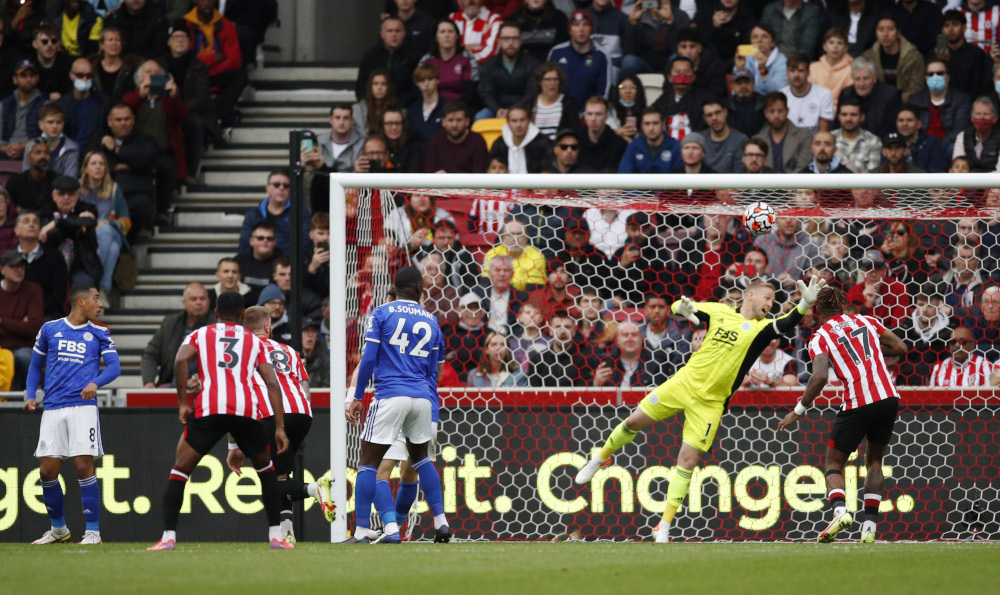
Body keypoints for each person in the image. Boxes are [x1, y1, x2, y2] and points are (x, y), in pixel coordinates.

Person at [577, 275, 827, 542]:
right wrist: (681, 309)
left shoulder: (762, 328)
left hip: (711, 402)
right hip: (683, 383)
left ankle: (663, 525)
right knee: (632, 422)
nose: (770, 304)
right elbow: (682, 306)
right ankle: (599, 458)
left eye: (774, 300)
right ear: (750, 295)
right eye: (767, 298)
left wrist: (803, 305)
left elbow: (786, 324)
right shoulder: (718, 310)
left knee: (687, 460)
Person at [147, 291, 292, 551]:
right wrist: (279, 427)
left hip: (210, 408)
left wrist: (182, 402)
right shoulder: (254, 341)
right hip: (246, 411)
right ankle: (275, 536)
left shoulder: (201, 334)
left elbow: (180, 359)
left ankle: (168, 537)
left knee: (180, 470)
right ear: (241, 315)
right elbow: (271, 382)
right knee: (265, 470)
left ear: (215, 313)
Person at [777, 286, 908, 544]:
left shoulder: (820, 337)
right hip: (889, 397)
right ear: (842, 304)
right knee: (874, 462)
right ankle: (869, 526)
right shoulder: (867, 321)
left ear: (817, 310)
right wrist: (869, 357)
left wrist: (798, 410)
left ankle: (840, 513)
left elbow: (820, 376)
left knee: (834, 464)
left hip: (858, 401)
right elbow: (901, 348)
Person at [346, 266, 451, 544]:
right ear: (419, 288)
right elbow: (435, 372)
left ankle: (361, 532)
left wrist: (357, 396)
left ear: (395, 286)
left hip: (392, 394)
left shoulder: (382, 313)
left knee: (368, 464)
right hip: (423, 398)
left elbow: (368, 359)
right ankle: (441, 523)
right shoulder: (431, 320)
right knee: (421, 459)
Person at [226, 306, 331, 543]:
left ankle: (314, 489)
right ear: (267, 327)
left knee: (269, 481)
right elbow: (305, 389)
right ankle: (286, 531)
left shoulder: (243, 351)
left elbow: (235, 399)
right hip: (302, 414)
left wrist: (233, 447)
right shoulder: (290, 351)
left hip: (270, 415)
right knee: (282, 475)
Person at [25, 284, 120, 546]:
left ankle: (93, 532)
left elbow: (114, 367)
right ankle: (58, 530)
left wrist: (95, 383)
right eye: (96, 299)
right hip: (53, 406)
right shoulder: (50, 329)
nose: (100, 305)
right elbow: (35, 365)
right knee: (47, 471)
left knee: (82, 465)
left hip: (82, 407)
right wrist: (30, 394)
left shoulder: (100, 332)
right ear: (80, 302)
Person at [182, 0, 248, 128]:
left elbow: (234, 61)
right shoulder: (185, 24)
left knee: (240, 76)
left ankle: (219, 116)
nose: (207, 3)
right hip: (192, 75)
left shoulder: (225, 25)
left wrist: (207, 70)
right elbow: (185, 58)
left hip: (213, 74)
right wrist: (213, 60)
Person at [164, 18, 216, 173]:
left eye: (183, 37)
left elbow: (201, 98)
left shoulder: (199, 67)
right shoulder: (160, 64)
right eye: (176, 37)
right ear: (169, 42)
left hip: (188, 112)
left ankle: (191, 171)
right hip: (164, 110)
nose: (179, 40)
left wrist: (181, 109)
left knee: (196, 124)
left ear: (189, 42)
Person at [77, 150, 130, 304]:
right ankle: (102, 290)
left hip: (111, 232)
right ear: (85, 168)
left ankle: (93, 282)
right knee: (113, 248)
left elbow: (126, 221)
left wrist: (108, 222)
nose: (98, 167)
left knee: (106, 232)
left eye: (101, 164)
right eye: (93, 163)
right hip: (86, 236)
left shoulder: (114, 189)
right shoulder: (78, 190)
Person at [141, 282, 215, 387]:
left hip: (204, 385)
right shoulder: (170, 323)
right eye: (193, 299)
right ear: (184, 303)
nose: (198, 302)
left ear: (208, 302)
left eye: (202, 299)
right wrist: (149, 382)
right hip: (169, 383)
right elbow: (150, 355)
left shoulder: (216, 326)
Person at [101, 103, 157, 233]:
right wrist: (115, 167)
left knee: (140, 206)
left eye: (127, 119)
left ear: (133, 120)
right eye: (118, 120)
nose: (123, 123)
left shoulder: (145, 139)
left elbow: (144, 158)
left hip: (135, 193)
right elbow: (91, 162)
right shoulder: (101, 139)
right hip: (104, 193)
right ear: (109, 122)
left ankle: (127, 248)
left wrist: (115, 149)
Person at [40, 175, 102, 287]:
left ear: (78, 195)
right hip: (51, 265)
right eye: (61, 194)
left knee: (83, 290)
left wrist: (57, 222)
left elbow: (89, 222)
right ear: (54, 196)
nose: (66, 197)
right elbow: (46, 233)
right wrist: (74, 222)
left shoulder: (88, 208)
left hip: (82, 266)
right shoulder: (45, 211)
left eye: (71, 194)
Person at [546, 10, 610, 110]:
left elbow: (603, 92)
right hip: (560, 112)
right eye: (576, 25)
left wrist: (588, 114)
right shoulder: (556, 52)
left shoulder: (601, 56)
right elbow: (547, 86)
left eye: (585, 25)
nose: (581, 29)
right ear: (569, 30)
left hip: (591, 116)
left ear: (591, 29)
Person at [238, 170, 309, 258]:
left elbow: (305, 244)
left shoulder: (300, 212)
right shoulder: (253, 215)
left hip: (288, 266)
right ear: (267, 189)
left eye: (286, 186)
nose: (281, 188)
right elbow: (244, 246)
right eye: (276, 185)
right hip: (259, 265)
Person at [476, 21, 538, 120]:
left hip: (524, 109)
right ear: (499, 42)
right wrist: (497, 110)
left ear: (521, 41)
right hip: (496, 110)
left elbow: (531, 94)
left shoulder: (532, 64)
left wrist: (511, 111)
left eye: (514, 38)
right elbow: (487, 93)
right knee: (481, 117)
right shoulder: (489, 65)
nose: (510, 43)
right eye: (506, 39)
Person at [0, 250, 43, 389]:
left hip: (23, 348)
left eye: (22, 267)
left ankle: (33, 399)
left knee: (27, 357)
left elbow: (34, 328)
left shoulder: (33, 290)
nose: (18, 270)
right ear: (2, 269)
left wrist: (3, 322)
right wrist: (20, 324)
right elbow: (27, 328)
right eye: (13, 266)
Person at [908, 60, 970, 156]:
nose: (935, 77)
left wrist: (937, 145)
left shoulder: (960, 100)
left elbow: (959, 129)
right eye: (931, 74)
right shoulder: (915, 99)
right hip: (922, 145)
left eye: (940, 73)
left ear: (948, 77)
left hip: (947, 146)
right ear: (926, 78)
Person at [14, 210, 68, 320]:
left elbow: (59, 294)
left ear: (39, 229)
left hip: (47, 313)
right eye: (26, 221)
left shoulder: (55, 256)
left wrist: (34, 313)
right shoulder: (8, 259)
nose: (31, 224)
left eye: (35, 222)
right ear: (16, 230)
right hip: (14, 313)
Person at [356, 17, 420, 107]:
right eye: (390, 31)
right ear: (382, 34)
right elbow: (361, 86)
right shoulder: (370, 56)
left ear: (404, 33)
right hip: (374, 108)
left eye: (397, 31)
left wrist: (398, 104)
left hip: (404, 108)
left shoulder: (413, 57)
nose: (394, 35)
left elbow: (417, 88)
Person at [56, 57, 113, 154]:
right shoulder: (61, 104)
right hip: (69, 156)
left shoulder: (104, 103)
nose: (85, 79)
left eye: (89, 75)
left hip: (95, 157)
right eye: (80, 75)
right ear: (71, 75)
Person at [862, 14, 924, 102]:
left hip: (905, 105)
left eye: (890, 29)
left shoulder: (914, 57)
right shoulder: (868, 57)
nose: (885, 34)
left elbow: (916, 89)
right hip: (877, 104)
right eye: (881, 30)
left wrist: (895, 101)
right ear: (876, 33)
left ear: (898, 33)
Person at [838, 56, 902, 138]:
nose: (861, 83)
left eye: (866, 78)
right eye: (857, 79)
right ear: (852, 79)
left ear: (874, 78)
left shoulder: (891, 95)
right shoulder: (846, 94)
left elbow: (890, 130)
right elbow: (838, 126)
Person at [419, 20, 479, 107]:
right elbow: (419, 87)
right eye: (442, 32)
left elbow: (470, 91)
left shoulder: (468, 59)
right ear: (436, 37)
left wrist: (452, 107)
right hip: (433, 106)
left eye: (450, 32)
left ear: (456, 36)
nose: (447, 35)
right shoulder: (427, 60)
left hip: (462, 106)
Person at [621, 0, 690, 77]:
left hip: (669, 63)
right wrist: (632, 23)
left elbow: (681, 49)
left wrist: (670, 22)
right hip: (643, 64)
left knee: (677, 58)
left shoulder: (680, 16)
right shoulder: (639, 14)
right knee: (628, 61)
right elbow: (628, 50)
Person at [934, 11, 990, 101]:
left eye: (955, 24)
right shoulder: (936, 54)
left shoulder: (976, 53)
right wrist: (943, 62)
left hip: (969, 103)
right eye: (946, 25)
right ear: (942, 30)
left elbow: (979, 87)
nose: (950, 29)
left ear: (964, 28)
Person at [528, 312, 596, 386]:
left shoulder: (585, 358)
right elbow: (533, 392)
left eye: (567, 327)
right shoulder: (538, 359)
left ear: (574, 331)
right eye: (558, 327)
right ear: (550, 331)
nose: (563, 331)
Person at [751, 92, 811, 173]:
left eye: (780, 111)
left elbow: (802, 168)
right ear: (766, 113)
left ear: (787, 111)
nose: (776, 115)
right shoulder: (757, 140)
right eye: (772, 111)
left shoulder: (804, 135)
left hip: (795, 184)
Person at [652, 56, 710, 138]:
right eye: (677, 72)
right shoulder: (661, 102)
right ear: (670, 77)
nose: (682, 76)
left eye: (686, 72)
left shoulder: (705, 100)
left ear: (693, 77)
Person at [424, 101, 488, 172]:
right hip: (443, 182)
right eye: (450, 120)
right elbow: (430, 172)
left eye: (459, 120)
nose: (454, 124)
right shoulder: (435, 140)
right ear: (443, 122)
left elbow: (479, 175)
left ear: (467, 121)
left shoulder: (478, 141)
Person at [1, 60, 45, 160]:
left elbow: (48, 138)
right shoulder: (4, 105)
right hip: (5, 153)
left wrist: (25, 147)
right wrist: (6, 148)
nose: (28, 79)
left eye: (32, 75)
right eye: (23, 75)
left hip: (33, 154)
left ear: (37, 78)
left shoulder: (45, 105)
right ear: (15, 79)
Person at [303, 103, 364, 174]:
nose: (341, 122)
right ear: (330, 119)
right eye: (337, 118)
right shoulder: (319, 141)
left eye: (346, 118)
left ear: (352, 120)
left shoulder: (362, 143)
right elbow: (311, 173)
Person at [489, 103, 552, 173]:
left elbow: (549, 170)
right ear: (508, 122)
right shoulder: (499, 143)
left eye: (522, 120)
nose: (519, 125)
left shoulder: (543, 142)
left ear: (529, 121)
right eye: (514, 121)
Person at [618, 107, 681, 174]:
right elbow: (624, 175)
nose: (651, 128)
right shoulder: (634, 146)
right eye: (647, 124)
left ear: (663, 125)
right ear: (642, 126)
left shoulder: (676, 147)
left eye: (655, 123)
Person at [782, 52, 833, 133]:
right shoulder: (782, 95)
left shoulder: (824, 95)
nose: (796, 75)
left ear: (808, 72)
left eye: (800, 71)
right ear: (787, 73)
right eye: (792, 71)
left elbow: (823, 134)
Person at [89, 27, 141, 102]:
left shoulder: (131, 68)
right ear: (101, 45)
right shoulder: (92, 68)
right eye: (110, 40)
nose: (114, 43)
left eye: (118, 40)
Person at [530, 61, 579, 140]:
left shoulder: (569, 104)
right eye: (548, 79)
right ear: (540, 82)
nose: (552, 83)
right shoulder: (530, 103)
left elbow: (573, 132)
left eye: (555, 79)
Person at [577, 96, 626, 173]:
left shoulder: (619, 145)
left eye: (598, 114)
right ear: (585, 116)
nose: (593, 119)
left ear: (606, 117)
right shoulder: (575, 142)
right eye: (590, 114)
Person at [236, 220, 280, 307]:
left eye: (269, 238)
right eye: (260, 238)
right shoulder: (238, 261)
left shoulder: (282, 263)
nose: (265, 241)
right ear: (251, 241)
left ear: (274, 242)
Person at [951, 96, 1000, 172]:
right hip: (967, 182)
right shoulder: (962, 136)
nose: (981, 118)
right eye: (978, 114)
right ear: (971, 117)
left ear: (995, 118)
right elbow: (957, 167)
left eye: (986, 114)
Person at [832, 98, 881, 173]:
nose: (848, 119)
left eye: (853, 115)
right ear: (839, 117)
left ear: (862, 117)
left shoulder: (873, 141)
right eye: (844, 114)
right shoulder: (830, 138)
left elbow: (872, 174)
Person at [895, 103, 947, 173]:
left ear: (919, 124)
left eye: (909, 120)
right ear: (896, 124)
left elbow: (937, 174)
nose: (904, 124)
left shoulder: (932, 144)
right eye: (901, 120)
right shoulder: (889, 145)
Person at [700, 98, 748, 173]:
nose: (714, 118)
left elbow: (739, 174)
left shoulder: (740, 140)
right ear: (704, 118)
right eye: (709, 115)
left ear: (725, 112)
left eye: (718, 112)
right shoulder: (699, 139)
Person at [406, 64, 447, 149]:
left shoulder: (447, 107)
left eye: (430, 79)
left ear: (438, 80)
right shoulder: (412, 110)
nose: (426, 84)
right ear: (416, 83)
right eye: (422, 80)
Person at [7, 142, 56, 211]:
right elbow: (10, 208)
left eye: (46, 153)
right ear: (28, 158)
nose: (43, 156)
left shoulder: (57, 181)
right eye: (38, 153)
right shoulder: (15, 181)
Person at [32, 25, 73, 101]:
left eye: (54, 41)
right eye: (44, 41)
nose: (50, 45)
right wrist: (47, 96)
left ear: (58, 44)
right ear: (35, 44)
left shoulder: (68, 63)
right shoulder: (29, 64)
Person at [353, 70, 397, 138]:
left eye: (383, 84)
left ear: (388, 87)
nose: (379, 88)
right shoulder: (358, 109)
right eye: (376, 84)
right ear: (370, 87)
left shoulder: (397, 109)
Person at [726, 66, 766, 137]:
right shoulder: (725, 106)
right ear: (732, 86)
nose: (743, 86)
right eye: (739, 83)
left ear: (753, 84)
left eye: (747, 82)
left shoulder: (764, 104)